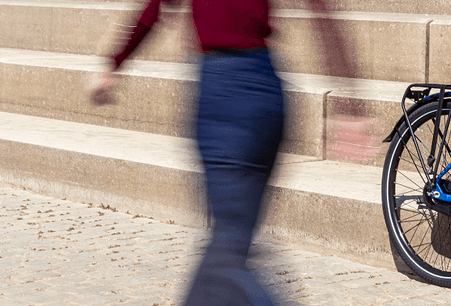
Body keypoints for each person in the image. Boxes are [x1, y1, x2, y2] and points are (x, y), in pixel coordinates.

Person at [88, 0, 296, 304]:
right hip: (265, 89)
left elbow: (155, 10)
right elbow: (326, 17)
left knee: (229, 245)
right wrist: (350, 105)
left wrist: (114, 64)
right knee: (234, 238)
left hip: (221, 91)